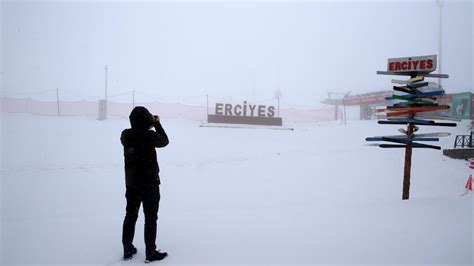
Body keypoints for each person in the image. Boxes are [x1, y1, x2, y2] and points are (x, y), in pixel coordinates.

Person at [120, 106, 169, 262]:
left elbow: (138, 130)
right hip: (150, 186)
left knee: (130, 216)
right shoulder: (149, 137)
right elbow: (165, 140)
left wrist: (148, 123)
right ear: (146, 120)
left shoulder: (125, 135)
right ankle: (150, 252)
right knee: (150, 219)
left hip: (132, 185)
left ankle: (127, 249)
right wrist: (156, 124)